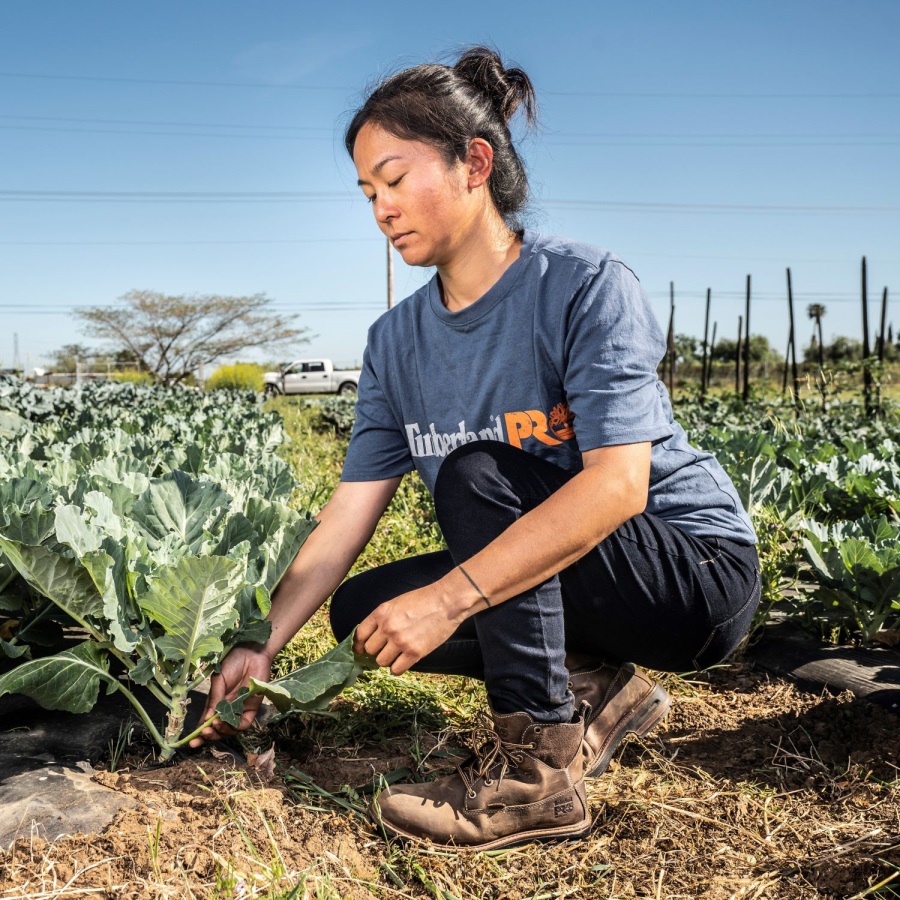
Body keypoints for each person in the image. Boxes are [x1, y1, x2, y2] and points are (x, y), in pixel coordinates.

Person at [192, 46, 760, 851]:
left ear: (475, 164)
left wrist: (450, 598)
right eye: (367, 192)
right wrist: (260, 648)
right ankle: (593, 689)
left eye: (394, 179)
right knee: (364, 614)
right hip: (582, 577)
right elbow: (347, 516)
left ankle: (535, 776)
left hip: (691, 575)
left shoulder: (583, 285)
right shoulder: (395, 344)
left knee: (478, 472)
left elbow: (619, 488)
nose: (381, 207)